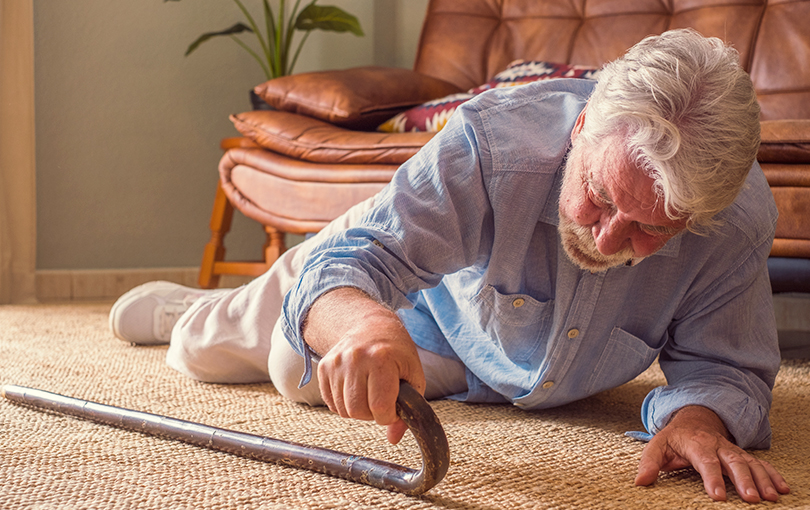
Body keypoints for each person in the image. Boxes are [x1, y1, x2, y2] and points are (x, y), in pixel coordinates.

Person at [110, 29, 790, 503]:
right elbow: (362, 263)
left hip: (497, 359)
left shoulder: (730, 217)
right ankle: (193, 311)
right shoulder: (493, 142)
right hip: (428, 303)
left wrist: (699, 419)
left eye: (649, 229)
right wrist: (366, 326)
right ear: (582, 128)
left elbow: (723, 366)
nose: (610, 239)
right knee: (229, 357)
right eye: (602, 197)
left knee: (310, 378)